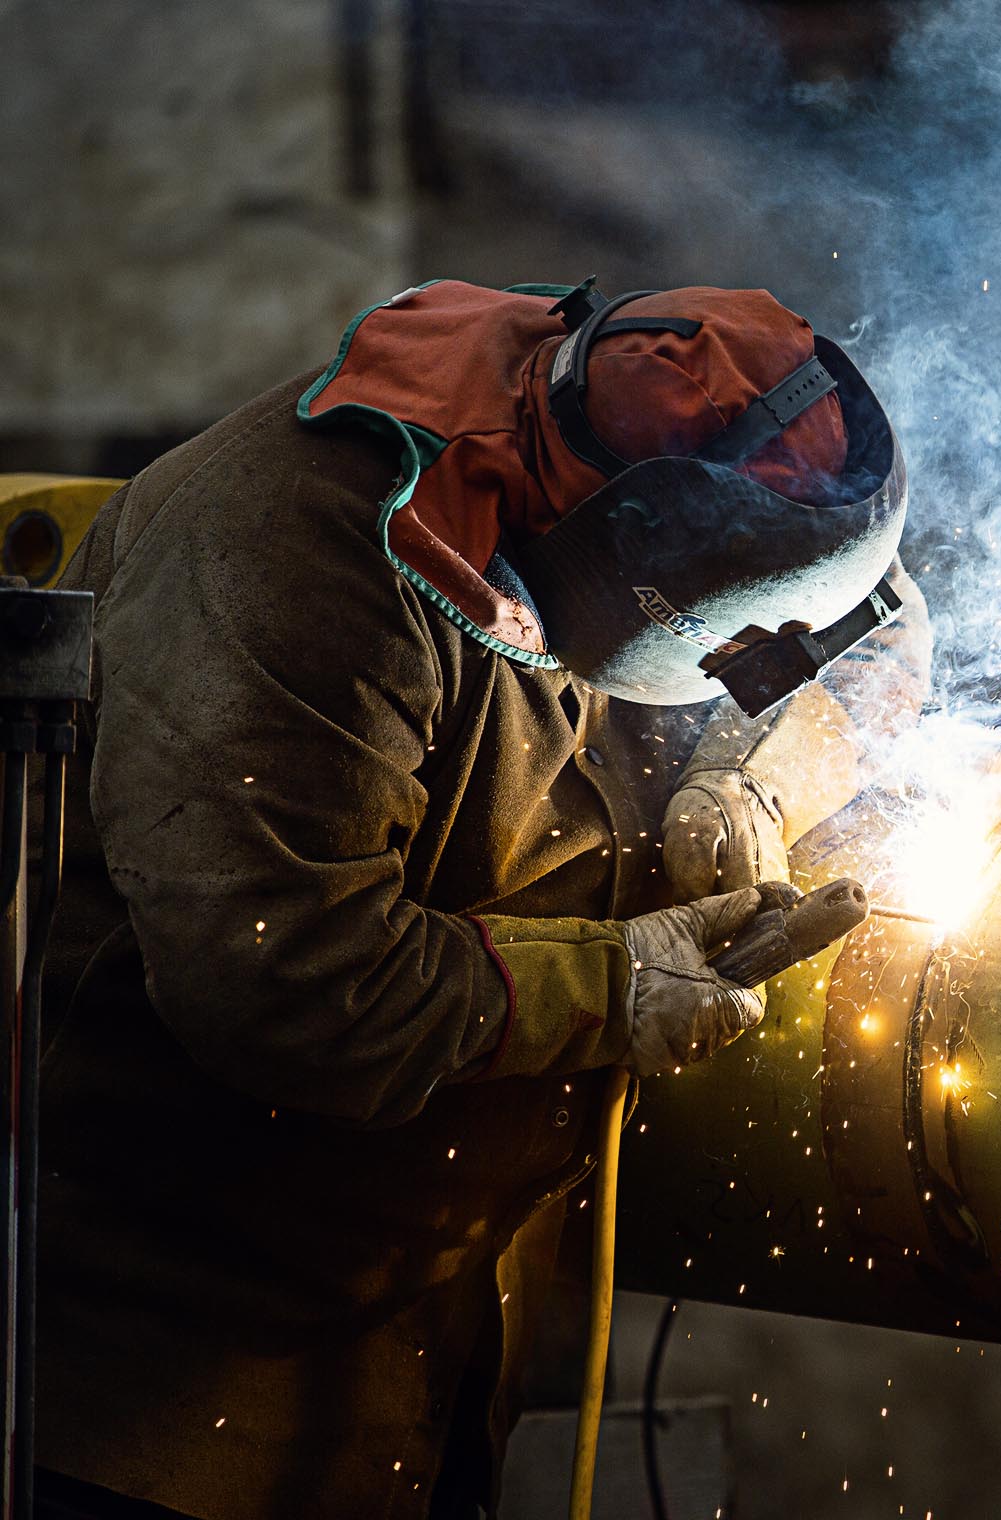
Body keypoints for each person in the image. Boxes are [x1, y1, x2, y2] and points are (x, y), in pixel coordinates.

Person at [35, 278, 925, 1519]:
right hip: (169, 1401)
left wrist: (759, 775)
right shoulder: (296, 559)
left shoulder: (640, 459)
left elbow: (878, 623)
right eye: (727, 639)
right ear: (637, 568)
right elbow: (286, 980)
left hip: (437, 1367)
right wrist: (616, 985)